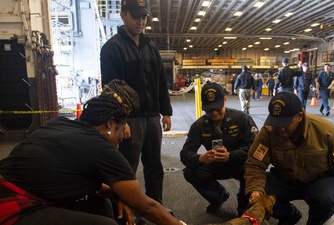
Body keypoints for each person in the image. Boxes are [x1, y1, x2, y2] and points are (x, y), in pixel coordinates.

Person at [0, 80, 185, 225]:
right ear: (111, 124)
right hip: (11, 207)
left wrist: (121, 195)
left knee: (100, 205)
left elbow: (75, 181)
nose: (124, 136)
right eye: (123, 128)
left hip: (16, 189)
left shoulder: (58, 123)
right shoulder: (101, 149)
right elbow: (146, 205)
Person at [100, 0, 173, 210]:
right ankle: (127, 209)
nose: (141, 22)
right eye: (136, 16)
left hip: (152, 118)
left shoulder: (151, 46)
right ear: (123, 15)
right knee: (127, 168)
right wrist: (121, 119)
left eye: (144, 17)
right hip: (130, 119)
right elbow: (112, 88)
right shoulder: (112, 48)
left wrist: (166, 112)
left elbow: (160, 81)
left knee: (154, 166)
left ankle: (155, 207)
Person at [244, 91, 334, 225]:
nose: (280, 128)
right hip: (285, 179)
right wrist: (255, 190)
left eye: (285, 123)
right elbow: (255, 164)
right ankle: (289, 215)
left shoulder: (327, 131)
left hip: (319, 180)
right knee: (257, 195)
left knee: (327, 198)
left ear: (299, 116)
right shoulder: (268, 132)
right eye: (276, 122)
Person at [180, 82, 258, 216]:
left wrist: (231, 155)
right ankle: (219, 197)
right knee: (190, 172)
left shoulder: (242, 119)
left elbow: (255, 147)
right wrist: (200, 158)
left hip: (241, 163)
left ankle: (243, 204)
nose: (214, 113)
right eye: (209, 109)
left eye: (217, 108)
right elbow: (185, 154)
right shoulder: (199, 126)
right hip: (215, 164)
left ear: (225, 100)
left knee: (255, 171)